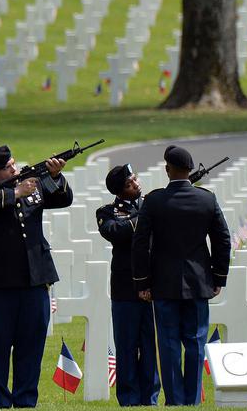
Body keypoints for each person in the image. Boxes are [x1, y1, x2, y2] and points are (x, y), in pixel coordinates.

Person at [0, 144, 73, 408]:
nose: (15, 169)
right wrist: (15, 191)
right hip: (0, 280)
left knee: (32, 343)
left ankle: (26, 399)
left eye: (14, 163)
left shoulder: (31, 183)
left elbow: (63, 199)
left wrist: (56, 176)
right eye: (8, 167)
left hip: (35, 276)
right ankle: (1, 401)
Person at [132, 145, 231, 406]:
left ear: (168, 169)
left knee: (168, 343)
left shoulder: (153, 201)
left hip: (163, 283)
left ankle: (175, 400)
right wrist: (218, 277)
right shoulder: (206, 199)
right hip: (199, 283)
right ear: (190, 170)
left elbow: (140, 243)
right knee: (196, 341)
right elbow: (222, 239)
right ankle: (193, 399)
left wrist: (142, 282)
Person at [96, 164, 160, 406]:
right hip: (125, 288)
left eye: (135, 178)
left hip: (154, 285)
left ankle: (150, 396)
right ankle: (129, 398)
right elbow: (114, 231)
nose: (136, 184)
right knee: (126, 347)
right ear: (120, 191)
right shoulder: (107, 211)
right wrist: (143, 218)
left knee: (150, 345)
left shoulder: (152, 205)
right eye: (129, 183)